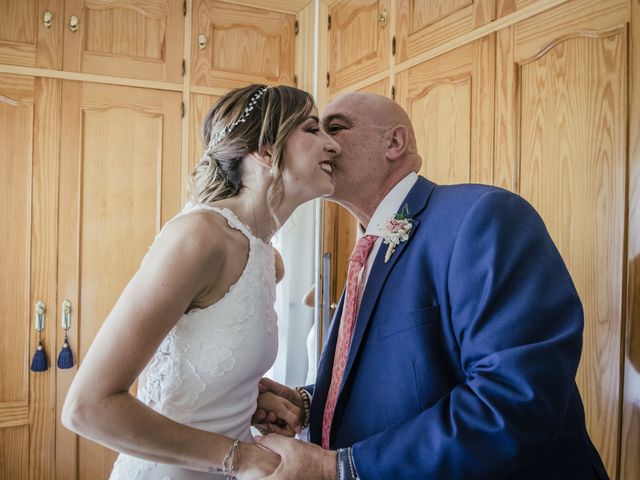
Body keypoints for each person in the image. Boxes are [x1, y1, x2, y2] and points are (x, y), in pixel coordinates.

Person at [253, 92, 609, 479]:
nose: (324, 142)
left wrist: (339, 468)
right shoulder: (368, 249)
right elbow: (409, 377)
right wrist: (306, 403)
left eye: (335, 127)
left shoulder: (482, 217)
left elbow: (513, 398)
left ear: (394, 143)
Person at [61, 84, 339, 479]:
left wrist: (253, 395)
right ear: (263, 150)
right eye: (313, 130)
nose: (333, 146)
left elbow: (202, 355)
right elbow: (88, 407)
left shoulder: (268, 261)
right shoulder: (200, 237)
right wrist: (239, 457)